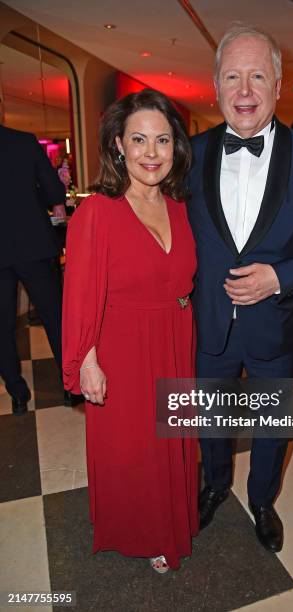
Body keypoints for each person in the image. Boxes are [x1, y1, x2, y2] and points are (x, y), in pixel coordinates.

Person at [187, 25, 293, 553]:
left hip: (277, 324)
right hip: (207, 320)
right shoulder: (187, 155)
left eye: (257, 76)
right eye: (232, 76)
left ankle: (262, 499)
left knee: (272, 422)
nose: (244, 91)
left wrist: (279, 277)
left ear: (279, 84)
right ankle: (214, 485)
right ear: (215, 85)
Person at [62, 89, 198, 572]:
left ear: (175, 147)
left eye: (162, 140)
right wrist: (86, 359)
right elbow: (80, 293)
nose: (151, 153)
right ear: (118, 144)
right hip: (123, 346)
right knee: (136, 446)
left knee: (172, 438)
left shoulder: (181, 208)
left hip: (175, 338)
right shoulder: (97, 211)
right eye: (139, 139)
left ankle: (172, 520)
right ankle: (147, 532)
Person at [0, 96, 71, 415]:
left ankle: (17, 393)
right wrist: (37, 196)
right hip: (32, 244)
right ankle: (70, 387)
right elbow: (55, 193)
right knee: (55, 317)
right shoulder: (23, 142)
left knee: (1, 326)